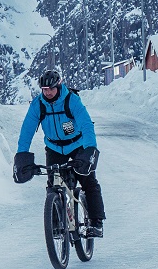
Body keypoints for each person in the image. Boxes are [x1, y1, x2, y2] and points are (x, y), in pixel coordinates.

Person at [13, 69, 105, 237]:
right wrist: (21, 155)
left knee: (88, 181)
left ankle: (96, 222)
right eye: (44, 89)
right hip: (54, 147)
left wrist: (90, 149)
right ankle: (56, 225)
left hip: (78, 144)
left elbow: (86, 125)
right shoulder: (38, 105)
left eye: (50, 89)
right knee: (53, 185)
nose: (47, 92)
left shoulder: (71, 100)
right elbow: (26, 131)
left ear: (58, 86)